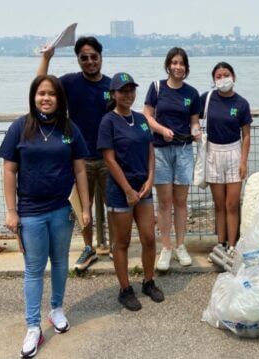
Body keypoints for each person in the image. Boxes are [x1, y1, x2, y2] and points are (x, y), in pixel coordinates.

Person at [0, 75, 91, 358]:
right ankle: (32, 326)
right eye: (41, 93)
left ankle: (57, 308)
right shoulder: (21, 126)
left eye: (51, 94)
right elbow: (9, 170)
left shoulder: (68, 128)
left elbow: (79, 170)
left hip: (62, 209)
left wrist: (86, 208)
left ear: (59, 99)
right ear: (33, 96)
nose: (46, 98)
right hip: (31, 212)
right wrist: (12, 211)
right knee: (34, 268)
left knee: (61, 261)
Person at [38, 36, 113, 271]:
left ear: (101, 58)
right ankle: (89, 247)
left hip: (108, 157)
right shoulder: (70, 83)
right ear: (78, 60)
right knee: (83, 206)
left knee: (112, 204)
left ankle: (113, 246)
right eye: (84, 58)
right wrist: (46, 57)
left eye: (94, 57)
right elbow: (41, 85)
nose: (90, 62)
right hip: (80, 158)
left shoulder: (111, 86)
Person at [97, 72, 164, 311]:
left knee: (148, 237)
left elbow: (150, 150)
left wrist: (150, 178)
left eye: (131, 90)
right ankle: (125, 289)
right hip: (120, 191)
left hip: (143, 188)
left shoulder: (141, 119)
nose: (128, 95)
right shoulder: (108, 121)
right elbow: (109, 159)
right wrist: (127, 189)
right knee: (122, 242)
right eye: (122, 91)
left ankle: (148, 281)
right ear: (114, 94)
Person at [143, 47, 201, 271]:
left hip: (184, 149)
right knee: (165, 202)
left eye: (182, 63)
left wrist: (197, 131)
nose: (178, 67)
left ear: (186, 67)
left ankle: (180, 245)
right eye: (174, 62)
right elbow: (147, 116)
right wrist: (161, 129)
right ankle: (166, 248)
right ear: (168, 65)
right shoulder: (156, 88)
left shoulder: (192, 93)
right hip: (160, 150)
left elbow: (194, 121)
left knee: (181, 202)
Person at [200, 62, 252, 257]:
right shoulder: (207, 98)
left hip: (234, 152)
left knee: (232, 204)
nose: (223, 79)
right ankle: (220, 243)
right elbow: (192, 117)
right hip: (213, 152)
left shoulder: (241, 103)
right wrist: (194, 130)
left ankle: (232, 244)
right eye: (218, 76)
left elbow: (246, 134)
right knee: (219, 204)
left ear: (234, 77)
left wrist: (244, 161)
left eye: (226, 75)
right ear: (214, 80)